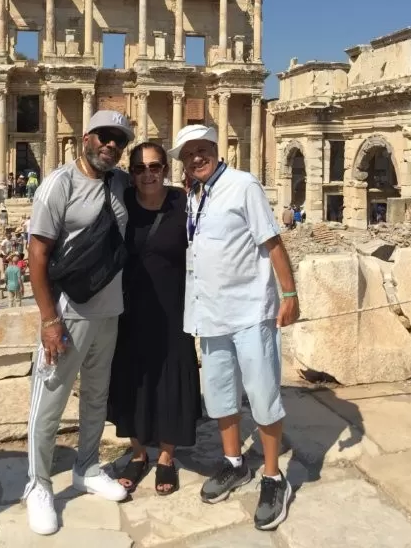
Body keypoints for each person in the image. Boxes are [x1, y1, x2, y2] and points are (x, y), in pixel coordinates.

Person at [170, 124, 300, 532]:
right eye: (188, 153)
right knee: (221, 395)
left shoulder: (244, 185)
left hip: (249, 310)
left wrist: (289, 293)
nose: (196, 158)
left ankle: (273, 477)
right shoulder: (194, 195)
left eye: (202, 149)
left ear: (216, 148)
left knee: (262, 394)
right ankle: (234, 463)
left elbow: (272, 241)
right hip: (210, 312)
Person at [24, 110, 134, 536]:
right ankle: (38, 485)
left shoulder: (120, 182)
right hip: (67, 313)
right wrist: (48, 319)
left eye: (118, 140)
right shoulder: (59, 184)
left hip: (108, 311)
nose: (111, 145)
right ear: (86, 137)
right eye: (104, 136)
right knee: (49, 401)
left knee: (96, 396)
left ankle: (86, 467)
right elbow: (37, 254)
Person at [108, 142, 201, 496]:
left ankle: (165, 456)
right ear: (131, 174)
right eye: (140, 168)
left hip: (174, 307)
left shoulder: (183, 203)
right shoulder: (122, 204)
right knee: (131, 377)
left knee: (171, 377)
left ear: (165, 169)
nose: (148, 174)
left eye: (155, 167)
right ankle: (137, 453)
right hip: (129, 307)